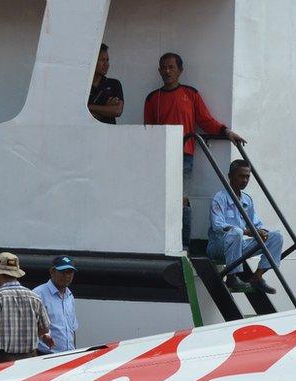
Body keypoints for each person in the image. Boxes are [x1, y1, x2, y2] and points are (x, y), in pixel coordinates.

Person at [144, 52, 246, 249]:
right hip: (158, 156)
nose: (167, 71)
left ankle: (184, 244)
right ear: (159, 70)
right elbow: (148, 130)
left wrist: (226, 132)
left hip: (184, 154)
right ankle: (158, 240)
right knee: (158, 197)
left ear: (180, 70)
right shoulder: (152, 98)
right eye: (163, 67)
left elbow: (205, 120)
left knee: (181, 198)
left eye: (171, 67)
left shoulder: (190, 94)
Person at [207, 160, 283, 294]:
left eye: (247, 176)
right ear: (230, 176)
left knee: (276, 237)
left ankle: (257, 277)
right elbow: (218, 226)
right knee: (236, 232)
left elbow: (256, 224)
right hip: (219, 246)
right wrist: (247, 231)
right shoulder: (219, 198)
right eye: (241, 176)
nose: (245, 180)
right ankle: (231, 278)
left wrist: (261, 231)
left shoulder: (247, 200)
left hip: (239, 246)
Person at [0, 253, 53, 364]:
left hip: (0, 360)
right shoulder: (35, 297)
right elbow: (45, 329)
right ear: (16, 274)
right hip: (29, 358)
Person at [34, 255, 79, 355]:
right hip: (45, 356)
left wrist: (75, 352)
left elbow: (72, 328)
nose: (67, 276)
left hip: (69, 355)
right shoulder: (38, 295)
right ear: (52, 271)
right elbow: (31, 327)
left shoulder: (69, 295)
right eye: (63, 272)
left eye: (70, 272)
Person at [88, 44, 124, 124]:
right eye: (102, 60)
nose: (106, 64)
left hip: (108, 134)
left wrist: (87, 107)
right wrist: (106, 109)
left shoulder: (114, 84)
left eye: (107, 60)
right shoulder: (83, 86)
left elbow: (117, 111)